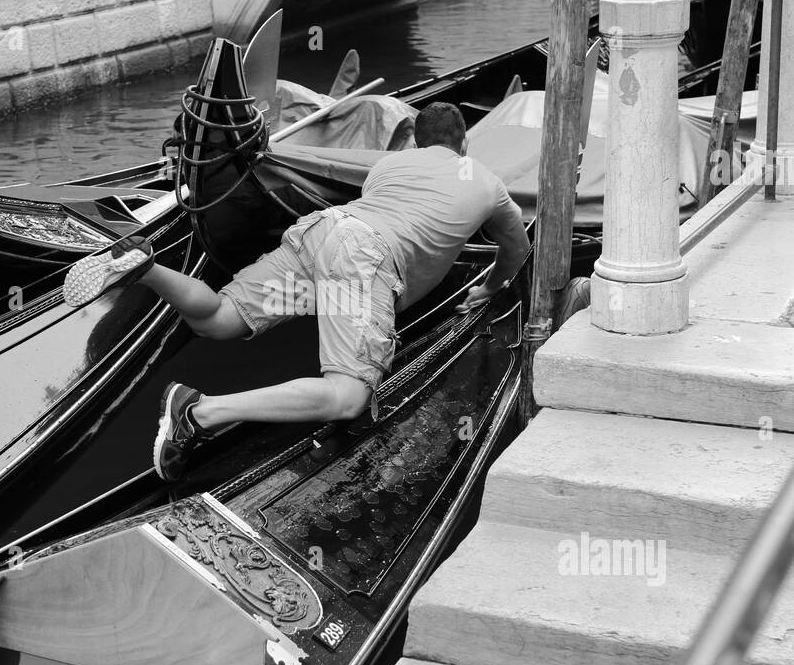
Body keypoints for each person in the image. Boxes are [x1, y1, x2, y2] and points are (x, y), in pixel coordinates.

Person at [63, 102, 530, 480]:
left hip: (324, 232)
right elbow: (517, 247)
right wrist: (490, 286)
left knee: (219, 318)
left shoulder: (388, 167)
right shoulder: (486, 181)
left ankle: (145, 268)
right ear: (464, 143)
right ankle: (199, 412)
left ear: (416, 141)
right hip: (363, 260)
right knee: (347, 397)